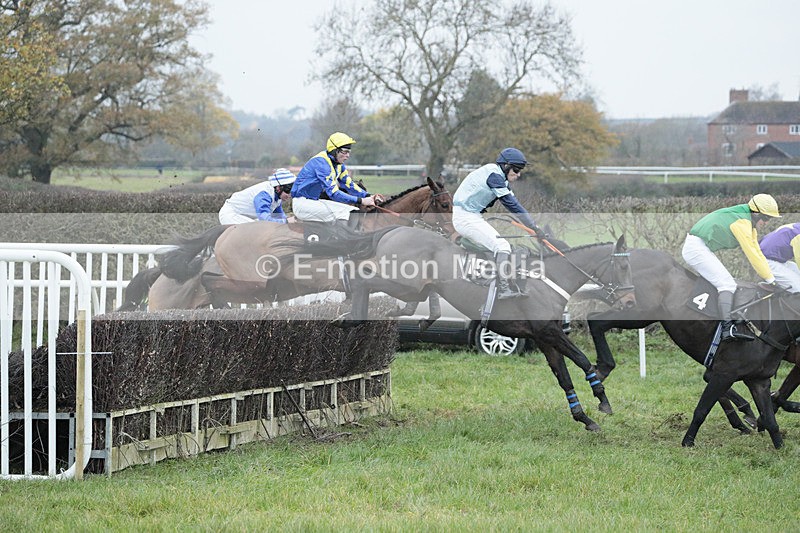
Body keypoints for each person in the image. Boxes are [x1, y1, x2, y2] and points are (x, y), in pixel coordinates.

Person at [681, 193, 781, 341]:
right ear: (755, 213)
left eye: (769, 219)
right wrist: (770, 280)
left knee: (727, 282)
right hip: (696, 248)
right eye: (765, 218)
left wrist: (772, 278)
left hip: (700, 247)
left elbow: (758, 252)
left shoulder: (747, 223)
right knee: (726, 284)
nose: (766, 222)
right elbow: (752, 255)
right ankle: (726, 329)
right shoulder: (742, 222)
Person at [452, 147, 545, 299]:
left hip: (472, 216)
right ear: (506, 165)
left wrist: (535, 228)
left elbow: (515, 206)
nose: (518, 174)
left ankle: (501, 282)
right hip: (465, 217)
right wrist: (533, 227)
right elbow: (513, 205)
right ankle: (503, 289)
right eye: (516, 170)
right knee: (502, 246)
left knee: (504, 246)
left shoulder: (498, 176)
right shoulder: (494, 177)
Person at [290, 132, 383, 223]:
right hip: (302, 204)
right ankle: (341, 238)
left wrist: (368, 196)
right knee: (346, 213)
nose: (348, 156)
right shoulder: (322, 164)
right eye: (345, 152)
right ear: (335, 150)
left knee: (354, 211)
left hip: (314, 202)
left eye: (349, 152)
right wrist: (361, 200)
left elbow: (348, 184)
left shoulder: (338, 164)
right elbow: (334, 193)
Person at [218, 168, 296, 225]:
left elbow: (280, 217)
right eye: (288, 191)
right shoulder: (264, 195)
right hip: (231, 214)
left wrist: (293, 221)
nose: (289, 195)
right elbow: (265, 220)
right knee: (256, 231)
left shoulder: (277, 197)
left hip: (243, 215)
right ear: (278, 188)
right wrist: (287, 221)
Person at [759, 222, 800, 293]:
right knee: (798, 288)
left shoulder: (797, 227)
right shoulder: (798, 235)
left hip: (779, 260)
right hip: (766, 261)